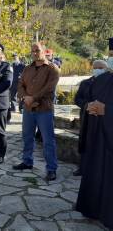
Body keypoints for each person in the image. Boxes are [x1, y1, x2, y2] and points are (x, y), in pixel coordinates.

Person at [76, 39, 113, 229]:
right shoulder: (104, 79)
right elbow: (90, 100)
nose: (111, 58)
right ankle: (93, 209)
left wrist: (107, 111)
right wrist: (91, 107)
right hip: (99, 138)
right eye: (111, 54)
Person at [14, 42, 60, 181]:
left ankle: (51, 169)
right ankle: (27, 161)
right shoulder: (27, 68)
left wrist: (33, 97)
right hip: (28, 109)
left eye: (37, 50)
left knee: (48, 141)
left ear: (44, 51)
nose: (35, 53)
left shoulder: (53, 69)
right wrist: (24, 97)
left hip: (44, 109)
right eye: (32, 50)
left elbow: (49, 88)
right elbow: (20, 84)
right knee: (27, 137)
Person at [73, 60, 107, 176]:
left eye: (100, 67)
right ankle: (82, 168)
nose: (97, 69)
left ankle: (99, 169)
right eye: (95, 67)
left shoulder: (109, 84)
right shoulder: (85, 83)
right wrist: (87, 105)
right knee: (85, 142)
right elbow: (77, 99)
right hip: (87, 117)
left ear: (105, 69)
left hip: (103, 119)